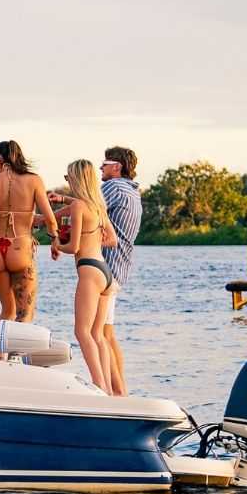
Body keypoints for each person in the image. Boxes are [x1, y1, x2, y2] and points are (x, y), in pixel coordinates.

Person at [0, 140, 58, 335]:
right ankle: (16, 358)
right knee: (24, 313)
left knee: (7, 311)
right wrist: (54, 240)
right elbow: (50, 218)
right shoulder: (34, 181)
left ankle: (0, 357)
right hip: (20, 248)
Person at [55, 158, 117, 392]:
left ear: (77, 179)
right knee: (97, 334)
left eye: (68, 177)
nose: (67, 181)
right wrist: (96, 237)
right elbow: (113, 239)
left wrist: (56, 245)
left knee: (81, 331)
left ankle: (99, 384)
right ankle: (109, 390)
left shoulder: (80, 206)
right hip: (105, 271)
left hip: (89, 270)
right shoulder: (98, 206)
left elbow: (72, 247)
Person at [98, 146, 143, 396]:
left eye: (104, 164)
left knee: (97, 334)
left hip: (105, 267)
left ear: (117, 167)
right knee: (108, 333)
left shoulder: (114, 187)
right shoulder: (132, 191)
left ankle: (110, 392)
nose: (100, 168)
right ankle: (120, 391)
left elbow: (89, 208)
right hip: (118, 269)